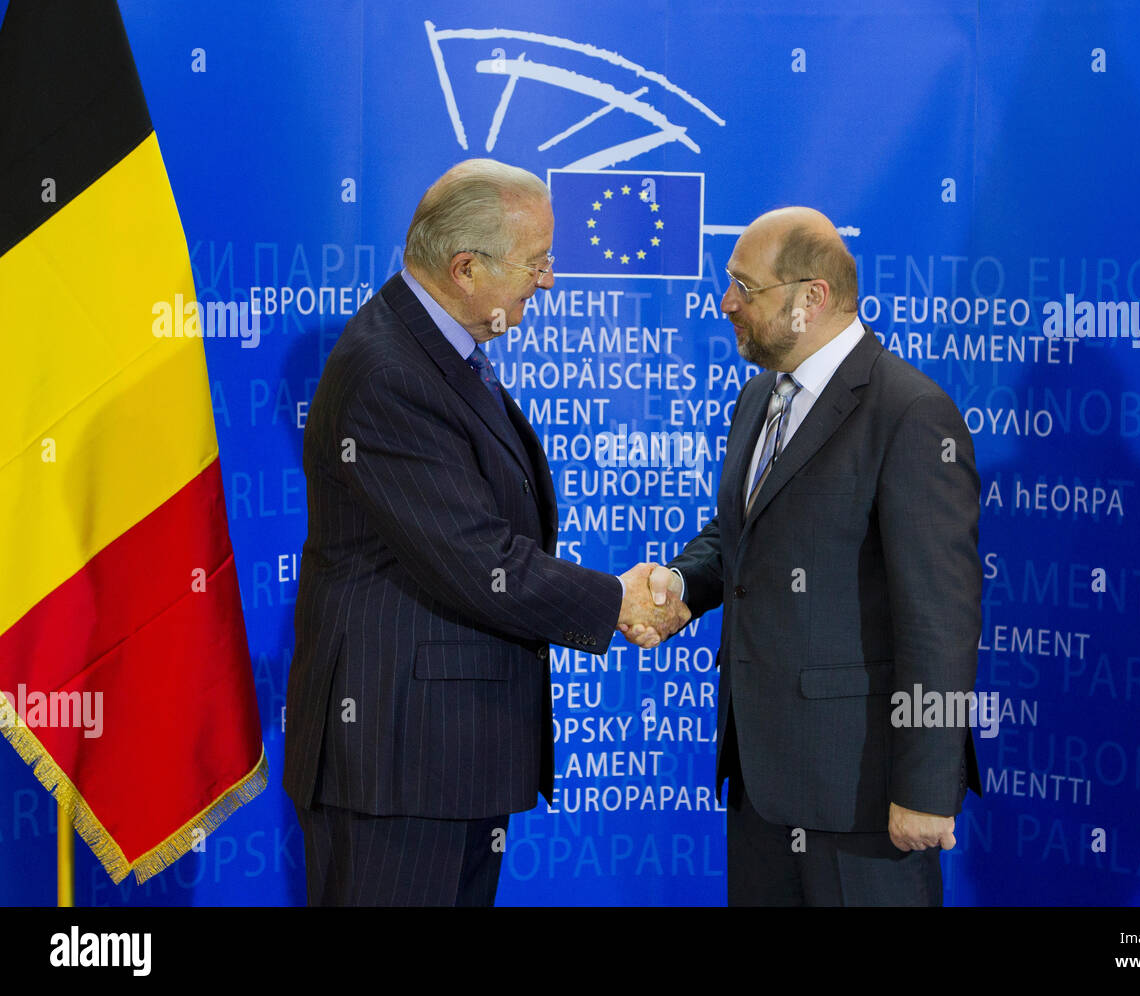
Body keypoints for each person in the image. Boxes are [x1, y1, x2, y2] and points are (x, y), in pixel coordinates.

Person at [283, 158, 687, 906]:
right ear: (465, 267)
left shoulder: (441, 353)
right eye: (535, 263)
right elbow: (474, 559)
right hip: (397, 764)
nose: (549, 281)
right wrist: (615, 602)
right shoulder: (387, 371)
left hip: (448, 757)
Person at [625, 207, 982, 906]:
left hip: (862, 799)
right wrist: (678, 588)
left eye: (744, 287)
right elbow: (743, 535)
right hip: (761, 783)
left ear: (810, 298)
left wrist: (926, 790)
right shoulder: (760, 396)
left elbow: (940, 618)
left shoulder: (909, 414)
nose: (725, 303)